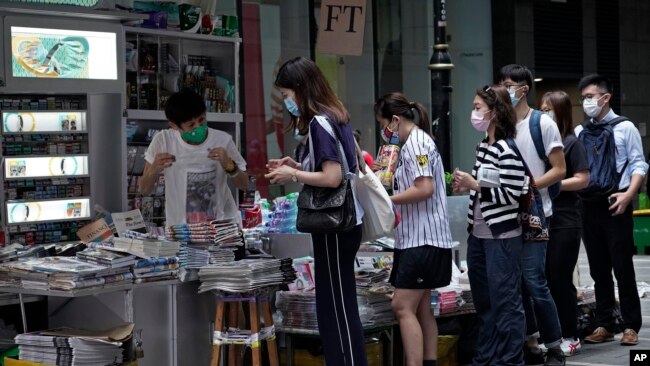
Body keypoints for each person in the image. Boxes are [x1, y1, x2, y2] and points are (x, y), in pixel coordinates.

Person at [264, 56, 367, 366]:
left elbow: (332, 176)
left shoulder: (320, 122)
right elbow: (337, 167)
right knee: (336, 304)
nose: (286, 102)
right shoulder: (335, 117)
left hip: (335, 224)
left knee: (336, 307)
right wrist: (296, 165)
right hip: (340, 222)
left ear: (300, 88)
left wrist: (293, 175)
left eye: (286, 95)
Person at [375, 92, 453, 366]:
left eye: (383, 124)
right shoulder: (412, 144)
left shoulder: (417, 144)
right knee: (421, 309)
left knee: (401, 306)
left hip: (422, 240)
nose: (384, 132)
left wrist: (386, 199)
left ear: (395, 120)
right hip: (418, 238)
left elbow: (424, 188)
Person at [496, 64, 566, 366]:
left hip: (536, 214)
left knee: (535, 281)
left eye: (510, 84)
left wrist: (528, 186)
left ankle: (555, 347)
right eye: (501, 83)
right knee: (515, 283)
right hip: (504, 213)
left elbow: (560, 170)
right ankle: (530, 341)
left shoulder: (542, 124)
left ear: (524, 89)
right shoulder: (498, 123)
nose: (505, 89)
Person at [453, 85, 527, 365]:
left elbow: (512, 195)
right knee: (485, 305)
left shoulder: (507, 149)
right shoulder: (484, 146)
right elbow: (486, 187)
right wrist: (467, 187)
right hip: (480, 237)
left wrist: (476, 186)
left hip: (502, 238)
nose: (474, 113)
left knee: (506, 304)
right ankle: (486, 359)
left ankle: (510, 360)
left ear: (494, 113)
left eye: (477, 108)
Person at [575, 74, 647, 346]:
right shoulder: (581, 131)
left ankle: (631, 326)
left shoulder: (625, 127)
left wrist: (628, 196)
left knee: (622, 266)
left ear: (606, 98)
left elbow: (639, 165)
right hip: (588, 204)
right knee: (598, 267)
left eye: (590, 96)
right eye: (583, 97)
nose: (586, 102)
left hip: (617, 203)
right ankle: (604, 323)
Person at [140, 90, 249, 226]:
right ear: (174, 126)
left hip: (219, 232)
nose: (198, 127)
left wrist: (230, 166)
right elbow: (144, 190)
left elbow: (245, 185)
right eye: (191, 125)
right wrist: (153, 170)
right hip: (181, 232)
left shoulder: (223, 140)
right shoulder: (163, 140)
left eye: (201, 120)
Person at [540, 91, 589, 356]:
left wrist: (552, 183)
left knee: (560, 278)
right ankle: (553, 335)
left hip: (566, 221)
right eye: (542, 108)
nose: (544, 113)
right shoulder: (545, 142)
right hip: (544, 219)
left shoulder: (571, 143)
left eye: (549, 109)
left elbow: (583, 179)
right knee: (545, 278)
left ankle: (571, 335)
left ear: (561, 111)